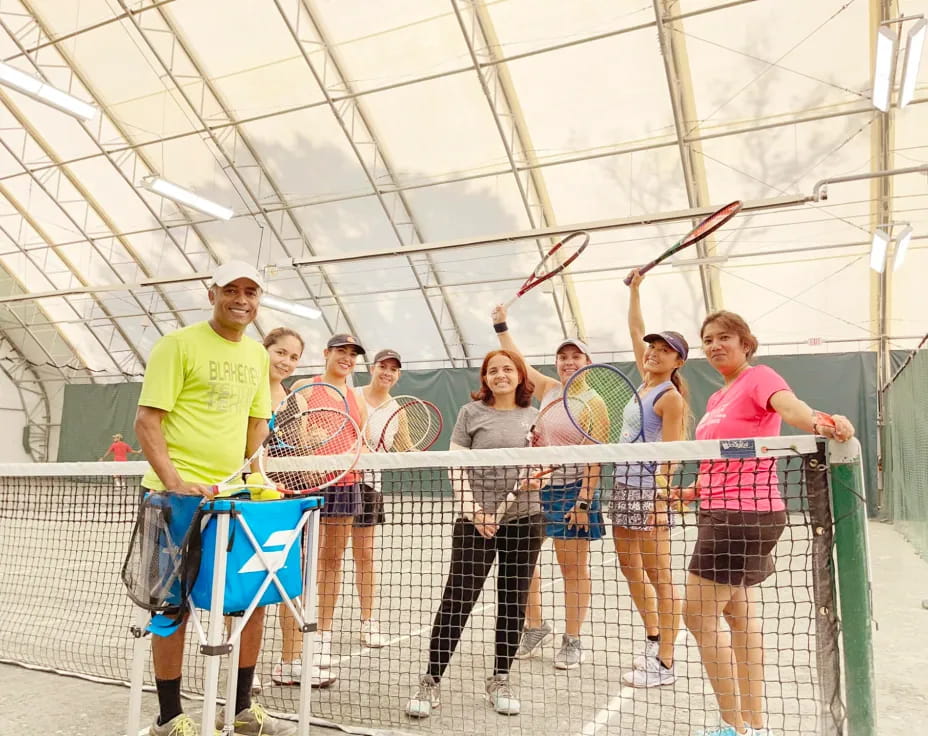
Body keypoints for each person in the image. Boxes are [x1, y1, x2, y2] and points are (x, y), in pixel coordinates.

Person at [670, 310, 855, 736]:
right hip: (724, 509)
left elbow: (790, 408)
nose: (716, 345)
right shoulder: (718, 398)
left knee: (697, 618)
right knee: (738, 617)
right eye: (709, 339)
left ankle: (733, 727)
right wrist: (689, 492)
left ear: (745, 344)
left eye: (725, 338)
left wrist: (822, 422)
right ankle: (753, 725)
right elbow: (725, 456)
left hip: (742, 516)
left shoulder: (760, 378)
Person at [134, 261, 294, 736]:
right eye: (231, 290)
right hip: (174, 501)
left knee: (250, 601)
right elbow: (147, 420)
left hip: (235, 499)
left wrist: (259, 478)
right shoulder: (177, 345)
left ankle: (242, 710)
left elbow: (255, 426)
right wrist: (175, 480)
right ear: (212, 294)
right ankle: (170, 718)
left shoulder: (256, 357)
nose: (241, 299)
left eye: (250, 291)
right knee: (171, 607)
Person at [405, 349, 544, 719]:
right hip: (474, 523)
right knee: (458, 600)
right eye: (493, 370)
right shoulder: (470, 414)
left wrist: (537, 476)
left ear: (519, 375)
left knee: (513, 604)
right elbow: (456, 467)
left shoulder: (535, 417)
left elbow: (545, 463)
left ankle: (500, 678)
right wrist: (475, 512)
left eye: (507, 369)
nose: (500, 375)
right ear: (485, 378)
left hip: (525, 521)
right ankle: (431, 681)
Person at [492, 304, 604, 670]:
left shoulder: (594, 401)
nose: (568, 362)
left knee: (572, 567)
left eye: (576, 356)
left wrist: (585, 501)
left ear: (587, 361)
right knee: (525, 563)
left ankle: (573, 639)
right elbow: (517, 360)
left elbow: (595, 456)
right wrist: (501, 326)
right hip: (536, 491)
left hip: (573, 491)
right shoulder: (551, 390)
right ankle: (535, 626)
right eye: (563, 357)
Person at [611, 269, 688, 688]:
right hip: (622, 489)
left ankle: (666, 662)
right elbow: (636, 328)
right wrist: (636, 289)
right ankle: (654, 636)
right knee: (628, 567)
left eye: (664, 351)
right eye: (652, 348)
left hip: (648, 495)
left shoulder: (670, 397)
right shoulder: (642, 384)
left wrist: (660, 496)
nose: (654, 353)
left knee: (660, 575)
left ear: (678, 361)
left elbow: (672, 456)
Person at [256, 327, 337, 690]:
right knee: (248, 584)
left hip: (288, 501)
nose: (286, 362)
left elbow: (302, 455)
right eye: (280, 353)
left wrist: (314, 447)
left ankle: (289, 662)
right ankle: (243, 666)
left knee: (291, 581)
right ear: (264, 351)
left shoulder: (296, 401)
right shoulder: (248, 394)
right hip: (250, 501)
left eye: (293, 356)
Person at [289, 334, 369, 680]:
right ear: (326, 354)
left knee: (333, 559)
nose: (347, 358)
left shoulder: (356, 397)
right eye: (341, 352)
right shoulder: (305, 388)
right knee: (301, 561)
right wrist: (309, 448)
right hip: (307, 485)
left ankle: (323, 634)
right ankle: (295, 639)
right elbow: (289, 435)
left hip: (345, 485)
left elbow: (359, 441)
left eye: (352, 354)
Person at [352, 349, 406, 648]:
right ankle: (320, 627)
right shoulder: (353, 395)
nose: (387, 372)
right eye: (382, 367)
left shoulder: (398, 409)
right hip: (343, 484)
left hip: (372, 488)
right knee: (326, 557)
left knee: (366, 556)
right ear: (372, 369)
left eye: (393, 369)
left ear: (398, 376)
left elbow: (404, 447)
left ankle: (369, 621)